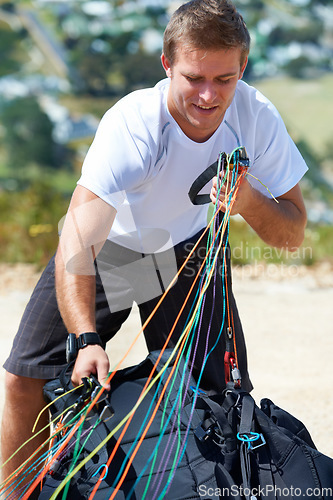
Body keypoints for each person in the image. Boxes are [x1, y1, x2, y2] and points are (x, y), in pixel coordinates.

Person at [1, 0, 307, 494]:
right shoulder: (135, 127)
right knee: (25, 380)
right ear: (167, 66)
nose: (209, 96)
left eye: (224, 80)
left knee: (216, 398)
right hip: (114, 254)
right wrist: (85, 341)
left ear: (242, 69)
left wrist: (249, 200)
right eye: (194, 78)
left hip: (185, 251)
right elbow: (79, 238)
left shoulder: (256, 116)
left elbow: (291, 235)